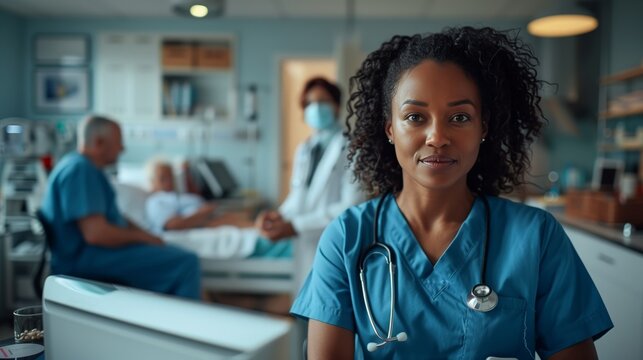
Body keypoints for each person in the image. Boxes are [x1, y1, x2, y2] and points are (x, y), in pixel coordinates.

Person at [290, 27, 613, 359]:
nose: (437, 137)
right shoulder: (346, 238)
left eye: (459, 117)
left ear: (483, 128)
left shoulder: (537, 237)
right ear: (390, 129)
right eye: (415, 117)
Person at [40, 115, 201, 300]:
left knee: (171, 253)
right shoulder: (80, 170)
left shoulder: (85, 168)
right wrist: (141, 237)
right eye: (118, 143)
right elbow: (96, 234)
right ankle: (179, 326)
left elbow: (117, 217)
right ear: (99, 142)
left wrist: (149, 237)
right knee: (186, 263)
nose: (123, 148)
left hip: (93, 253)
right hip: (84, 259)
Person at [254, 77, 364, 246]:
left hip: (337, 240)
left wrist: (296, 226)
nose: (316, 108)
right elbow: (298, 195)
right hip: (305, 241)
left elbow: (352, 206)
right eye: (309, 103)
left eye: (322, 101)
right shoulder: (305, 149)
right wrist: (279, 216)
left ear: (337, 105)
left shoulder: (352, 148)